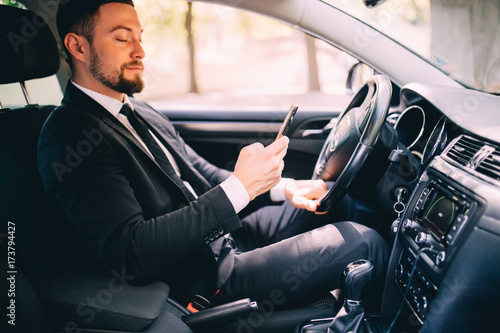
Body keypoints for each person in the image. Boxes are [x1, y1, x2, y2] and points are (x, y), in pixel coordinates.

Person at [38, 0, 388, 310]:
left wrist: (283, 188)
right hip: (202, 280)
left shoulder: (138, 110)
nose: (140, 50)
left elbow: (202, 174)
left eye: (140, 36)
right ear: (78, 47)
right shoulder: (69, 136)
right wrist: (240, 188)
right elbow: (131, 254)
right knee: (365, 243)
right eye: (121, 37)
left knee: (332, 202)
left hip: (221, 239)